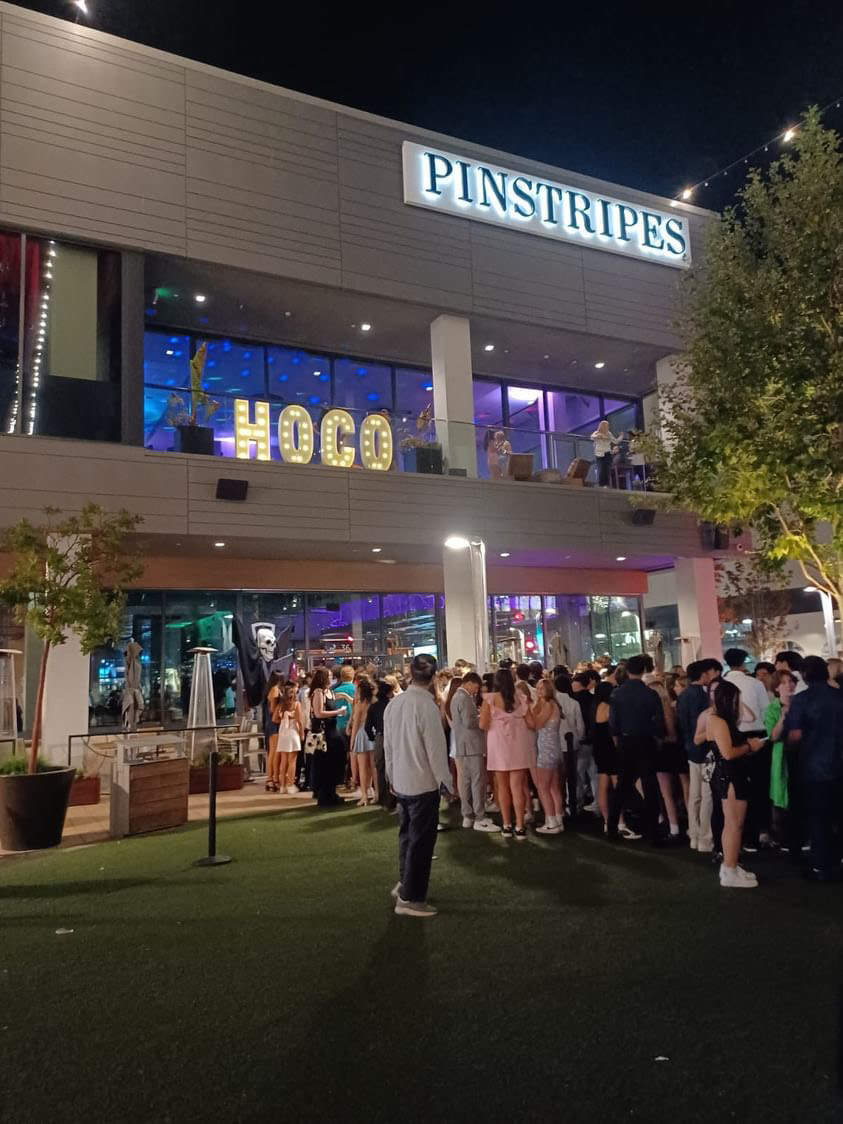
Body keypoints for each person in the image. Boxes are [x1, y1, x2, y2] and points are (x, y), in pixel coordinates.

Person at [384, 654, 453, 917]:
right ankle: (411, 898)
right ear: (434, 676)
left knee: (407, 837)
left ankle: (405, 883)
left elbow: (388, 745)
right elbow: (436, 750)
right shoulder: (427, 707)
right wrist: (445, 782)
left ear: (410, 673)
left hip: (401, 780)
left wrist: (390, 776)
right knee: (421, 842)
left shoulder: (396, 704)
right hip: (422, 783)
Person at [696, 678, 766, 888]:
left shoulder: (722, 719)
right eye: (737, 698)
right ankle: (730, 868)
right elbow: (728, 753)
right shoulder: (717, 720)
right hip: (730, 776)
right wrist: (750, 746)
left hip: (732, 775)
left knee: (733, 824)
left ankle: (730, 865)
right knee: (734, 825)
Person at [785, 656, 843, 881]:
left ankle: (821, 865)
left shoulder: (802, 700)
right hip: (838, 761)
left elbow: (795, 734)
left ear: (805, 675)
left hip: (814, 764)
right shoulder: (839, 696)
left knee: (818, 816)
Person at [607, 653, 666, 845]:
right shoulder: (650, 694)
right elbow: (659, 723)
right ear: (643, 671)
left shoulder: (617, 693)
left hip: (625, 741)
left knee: (622, 786)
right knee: (650, 786)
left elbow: (613, 724)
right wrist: (657, 738)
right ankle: (654, 833)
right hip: (646, 741)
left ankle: (612, 827)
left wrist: (618, 741)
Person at [723, 647, 774, 849]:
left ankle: (745, 835)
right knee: (760, 785)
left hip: (732, 736)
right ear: (744, 662)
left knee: (738, 788)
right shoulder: (754, 684)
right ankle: (763, 831)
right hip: (757, 735)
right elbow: (765, 710)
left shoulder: (723, 684)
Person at [480, 669, 536, 839]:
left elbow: (482, 724)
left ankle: (506, 824)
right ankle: (520, 825)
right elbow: (532, 723)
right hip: (518, 744)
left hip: (498, 745)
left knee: (502, 787)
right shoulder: (520, 698)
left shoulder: (489, 699)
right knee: (517, 787)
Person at [676, 659, 721, 852]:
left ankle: (693, 833)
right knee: (707, 795)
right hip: (703, 749)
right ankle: (705, 837)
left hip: (689, 749)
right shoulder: (702, 697)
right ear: (703, 675)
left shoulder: (683, 695)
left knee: (694, 795)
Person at [449, 671, 498, 832]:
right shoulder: (464, 698)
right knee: (477, 782)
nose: (476, 691)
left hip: (462, 746)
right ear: (469, 683)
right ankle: (479, 816)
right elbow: (469, 723)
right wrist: (481, 717)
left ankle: (468, 816)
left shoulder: (456, 697)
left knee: (467, 782)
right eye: (475, 687)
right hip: (471, 745)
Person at [591, 680, 638, 838]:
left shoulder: (595, 707)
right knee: (617, 785)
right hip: (611, 750)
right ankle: (620, 822)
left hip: (599, 749)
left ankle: (607, 821)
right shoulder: (609, 708)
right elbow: (614, 732)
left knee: (603, 785)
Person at [308, 668, 350, 808]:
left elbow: (336, 698)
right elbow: (319, 713)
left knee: (335, 762)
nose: (332, 678)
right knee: (324, 764)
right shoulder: (318, 692)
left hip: (333, 730)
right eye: (329, 676)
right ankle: (324, 795)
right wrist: (337, 712)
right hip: (324, 733)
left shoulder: (330, 691)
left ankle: (332, 792)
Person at [765, 670, 797, 840]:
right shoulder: (772, 708)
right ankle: (783, 836)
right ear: (776, 688)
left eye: (791, 681)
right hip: (782, 754)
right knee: (782, 794)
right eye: (784, 683)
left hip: (801, 755)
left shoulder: (802, 703)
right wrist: (784, 715)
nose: (789, 685)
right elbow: (773, 736)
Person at [531, 679, 565, 834]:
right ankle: (557, 818)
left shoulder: (548, 705)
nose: (538, 691)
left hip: (546, 750)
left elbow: (536, 724)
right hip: (553, 748)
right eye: (537, 688)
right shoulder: (552, 704)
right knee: (553, 787)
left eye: (542, 688)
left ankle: (551, 821)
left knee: (543, 786)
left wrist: (526, 712)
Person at [555, 672, 585, 818]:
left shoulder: (553, 702)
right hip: (571, 744)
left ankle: (560, 807)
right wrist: (578, 739)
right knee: (572, 776)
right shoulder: (574, 703)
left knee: (558, 777)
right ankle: (573, 804)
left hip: (555, 743)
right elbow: (580, 726)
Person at [367, 678, 395, 811]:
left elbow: (368, 726)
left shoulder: (374, 707)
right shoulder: (393, 705)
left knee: (381, 768)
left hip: (380, 737)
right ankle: (395, 796)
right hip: (393, 738)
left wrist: (374, 737)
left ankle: (383, 798)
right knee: (394, 767)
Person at [349, 677, 376, 806]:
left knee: (363, 767)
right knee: (374, 766)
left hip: (362, 734)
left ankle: (364, 795)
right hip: (374, 734)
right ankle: (376, 794)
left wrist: (352, 741)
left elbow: (355, 725)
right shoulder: (375, 703)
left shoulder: (360, 704)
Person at [274, 682, 304, 794]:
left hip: (283, 732)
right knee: (292, 760)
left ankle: (282, 786)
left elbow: (274, 719)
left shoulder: (280, 705)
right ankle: (290, 784)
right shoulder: (296, 704)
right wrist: (302, 733)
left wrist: (282, 720)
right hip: (292, 732)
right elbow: (299, 721)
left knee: (284, 760)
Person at [334, 665, 357, 789]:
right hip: (352, 725)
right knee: (352, 752)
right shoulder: (356, 689)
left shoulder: (334, 690)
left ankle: (341, 778)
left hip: (337, 725)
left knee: (341, 753)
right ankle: (351, 778)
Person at [264, 671, 286, 793]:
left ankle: (271, 778)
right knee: (273, 752)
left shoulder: (272, 689)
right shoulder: (275, 690)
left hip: (271, 723)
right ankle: (272, 778)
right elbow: (273, 709)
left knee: (272, 752)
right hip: (274, 724)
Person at [590, 419, 620, 487]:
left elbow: (615, 441)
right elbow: (592, 437)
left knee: (606, 469)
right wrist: (598, 436)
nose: (608, 427)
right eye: (607, 425)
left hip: (607, 453)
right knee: (601, 469)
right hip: (599, 454)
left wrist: (620, 436)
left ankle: (606, 484)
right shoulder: (597, 432)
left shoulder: (609, 433)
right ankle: (601, 484)